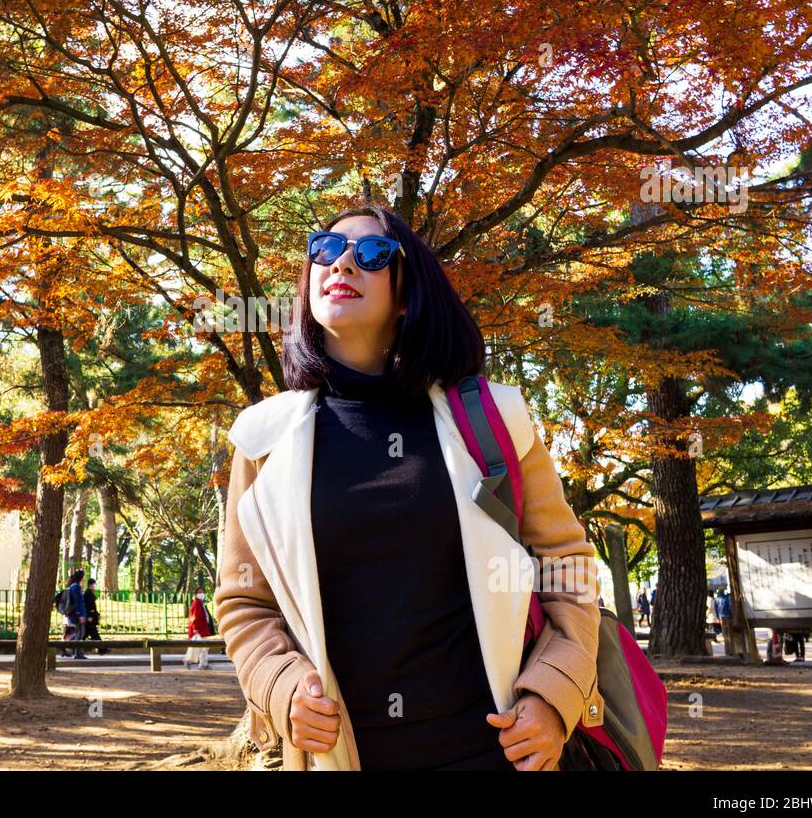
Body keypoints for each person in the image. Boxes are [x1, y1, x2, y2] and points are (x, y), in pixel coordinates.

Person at [214, 204, 604, 772]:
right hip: (340, 757)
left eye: (371, 254)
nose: (342, 262)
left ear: (406, 294)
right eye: (324, 248)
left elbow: (566, 568)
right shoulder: (263, 440)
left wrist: (553, 696)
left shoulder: (495, 420)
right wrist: (280, 685)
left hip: (492, 752)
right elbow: (244, 602)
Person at [185, 586, 211, 669]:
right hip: (199, 630)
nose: (201, 594)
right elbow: (194, 616)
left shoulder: (201, 603)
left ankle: (203, 664)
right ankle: (200, 663)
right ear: (195, 594)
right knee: (201, 647)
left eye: (202, 592)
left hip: (202, 629)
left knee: (202, 647)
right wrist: (195, 628)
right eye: (199, 592)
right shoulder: (197, 603)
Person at [65, 570, 88, 658]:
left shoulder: (72, 586)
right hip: (77, 615)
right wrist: (80, 615)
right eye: (84, 577)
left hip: (75, 614)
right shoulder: (76, 587)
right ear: (81, 578)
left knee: (79, 633)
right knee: (80, 634)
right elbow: (77, 602)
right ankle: (75, 652)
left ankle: (76, 652)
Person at [82, 578, 109, 655]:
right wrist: (89, 616)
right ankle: (102, 649)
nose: (95, 586)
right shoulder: (87, 594)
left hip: (91, 617)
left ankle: (101, 649)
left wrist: (96, 614)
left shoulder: (90, 593)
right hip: (90, 617)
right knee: (94, 634)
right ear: (90, 585)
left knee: (88, 634)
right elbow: (87, 606)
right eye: (94, 584)